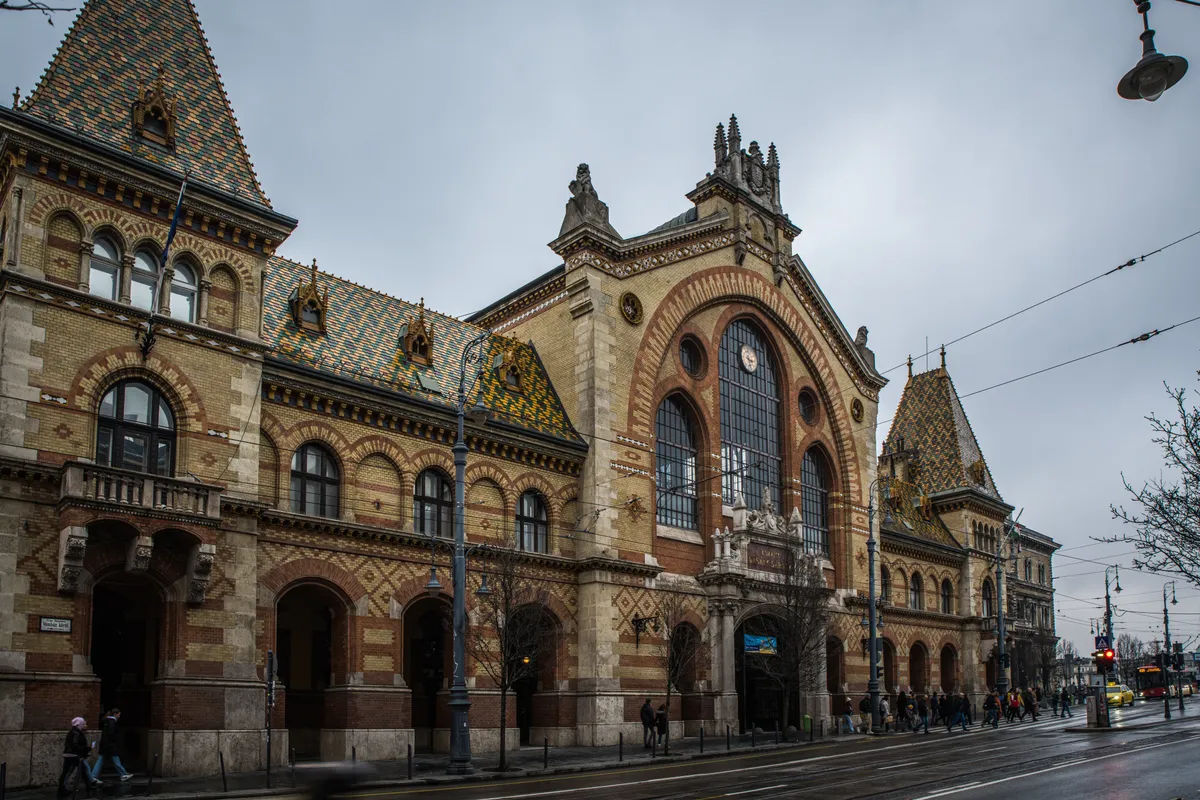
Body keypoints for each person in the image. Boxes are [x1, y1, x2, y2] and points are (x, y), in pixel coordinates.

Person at [57, 717, 98, 796]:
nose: (84, 725)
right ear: (79, 724)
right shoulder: (76, 733)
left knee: (69, 772)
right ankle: (88, 786)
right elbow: (75, 745)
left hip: (70, 754)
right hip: (73, 755)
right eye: (83, 724)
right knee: (81, 770)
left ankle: (62, 788)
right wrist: (86, 748)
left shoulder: (75, 731)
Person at [91, 708, 131, 782]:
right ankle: (123, 774)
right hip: (110, 745)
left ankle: (93, 776)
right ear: (115, 714)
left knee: (100, 760)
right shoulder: (112, 722)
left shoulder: (106, 721)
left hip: (104, 745)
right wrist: (115, 741)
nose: (119, 716)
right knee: (116, 759)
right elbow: (111, 734)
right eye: (119, 714)